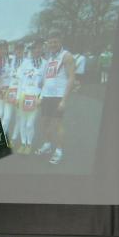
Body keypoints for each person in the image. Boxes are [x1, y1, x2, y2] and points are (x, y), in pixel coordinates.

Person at [35, 30, 76, 165]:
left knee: (57, 125)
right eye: (50, 42)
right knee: (44, 122)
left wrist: (64, 100)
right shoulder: (50, 58)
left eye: (55, 42)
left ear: (60, 41)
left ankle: (59, 151)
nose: (52, 44)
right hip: (46, 96)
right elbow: (47, 79)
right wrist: (40, 96)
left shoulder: (66, 56)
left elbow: (71, 78)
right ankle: (47, 145)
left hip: (58, 96)